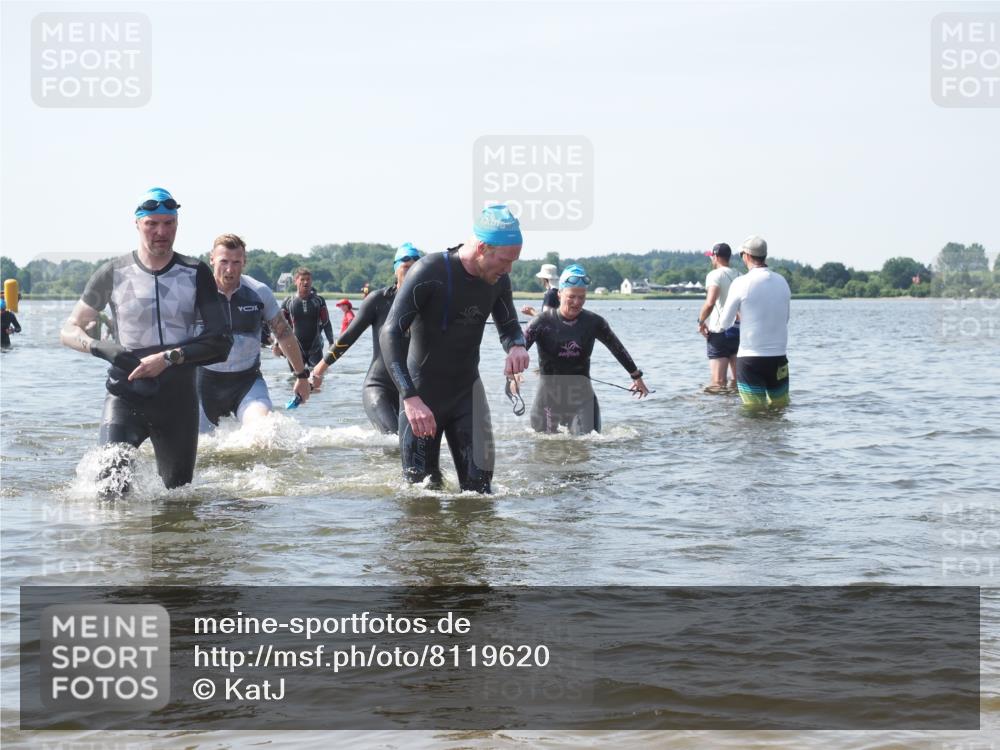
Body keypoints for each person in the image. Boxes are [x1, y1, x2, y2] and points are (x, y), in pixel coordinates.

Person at [59, 188, 232, 491]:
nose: (161, 232)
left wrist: (168, 358)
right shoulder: (112, 273)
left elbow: (220, 341)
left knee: (177, 496)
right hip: (126, 392)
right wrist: (103, 348)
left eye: (168, 223)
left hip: (177, 398)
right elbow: (69, 330)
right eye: (152, 223)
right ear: (137, 224)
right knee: (109, 484)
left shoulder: (195, 272)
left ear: (177, 225)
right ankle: (117, 539)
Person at [380, 205, 530, 493]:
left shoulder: (498, 279)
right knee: (422, 496)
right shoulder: (430, 271)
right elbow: (391, 333)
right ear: (483, 248)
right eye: (506, 260)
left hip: (467, 394)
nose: (509, 269)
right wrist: (409, 397)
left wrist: (516, 347)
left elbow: (509, 326)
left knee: (480, 494)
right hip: (422, 398)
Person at [199, 233, 311, 432]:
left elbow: (284, 334)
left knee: (264, 433)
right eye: (223, 261)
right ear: (212, 259)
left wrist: (301, 376)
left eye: (236, 262)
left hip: (246, 382)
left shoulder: (259, 292)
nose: (229, 269)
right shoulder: (195, 291)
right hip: (201, 383)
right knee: (198, 447)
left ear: (244, 262)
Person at [310, 243, 422, 434]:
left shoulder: (428, 303)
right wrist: (319, 369)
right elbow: (348, 337)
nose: (411, 271)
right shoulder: (378, 301)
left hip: (413, 389)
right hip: (380, 387)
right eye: (405, 267)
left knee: (418, 443)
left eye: (415, 267)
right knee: (394, 440)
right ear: (396, 270)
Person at [524, 264, 649, 434]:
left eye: (582, 297)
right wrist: (514, 374)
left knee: (588, 444)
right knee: (545, 450)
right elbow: (519, 350)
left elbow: (617, 348)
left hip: (581, 398)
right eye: (572, 296)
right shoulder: (541, 322)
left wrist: (636, 376)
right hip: (548, 399)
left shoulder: (594, 322)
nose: (577, 302)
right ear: (559, 294)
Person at [716, 235, 791, 408]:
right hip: (779, 358)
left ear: (747, 256)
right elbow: (785, 318)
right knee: (779, 409)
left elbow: (724, 323)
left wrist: (739, 316)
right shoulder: (782, 281)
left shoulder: (741, 282)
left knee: (753, 412)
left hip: (751, 360)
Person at [697, 242, 742, 394]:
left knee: (718, 382)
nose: (711, 260)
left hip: (719, 332)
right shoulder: (740, 275)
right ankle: (736, 412)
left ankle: (719, 415)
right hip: (738, 331)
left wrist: (701, 322)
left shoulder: (714, 275)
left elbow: (710, 303)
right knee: (737, 380)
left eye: (711, 257)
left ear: (715, 257)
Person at [274, 268, 334, 367]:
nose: (306, 282)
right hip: (294, 348)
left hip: (315, 348)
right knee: (295, 379)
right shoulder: (288, 301)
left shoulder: (319, 301)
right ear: (295, 281)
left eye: (308, 279)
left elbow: (326, 323)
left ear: (311, 281)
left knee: (317, 377)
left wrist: (331, 343)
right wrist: (276, 344)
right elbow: (280, 325)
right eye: (302, 279)